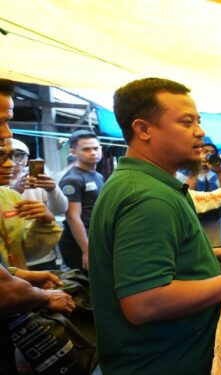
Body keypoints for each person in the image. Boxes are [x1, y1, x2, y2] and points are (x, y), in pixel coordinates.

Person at [88, 77, 221, 374]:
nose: (201, 132)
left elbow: (156, 256)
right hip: (163, 362)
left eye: (199, 121)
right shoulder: (147, 198)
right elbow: (144, 302)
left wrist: (218, 253)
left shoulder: (142, 183)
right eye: (187, 122)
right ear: (143, 129)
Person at [0, 78, 75, 375]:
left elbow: (22, 251)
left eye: (14, 156)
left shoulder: (9, 196)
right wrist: (41, 296)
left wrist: (45, 221)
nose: (9, 163)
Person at [9, 138, 69, 270]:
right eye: (8, 156)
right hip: (10, 258)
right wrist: (13, 191)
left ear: (27, 159)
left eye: (20, 155)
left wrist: (53, 189)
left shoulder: (36, 180)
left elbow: (60, 209)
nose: (14, 161)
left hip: (43, 254)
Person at [58, 130, 104, 271]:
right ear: (73, 152)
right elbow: (72, 216)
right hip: (78, 243)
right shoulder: (72, 179)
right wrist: (86, 249)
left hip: (95, 239)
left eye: (95, 148)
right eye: (86, 149)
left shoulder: (98, 176)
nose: (93, 152)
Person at [177, 138, 221, 247]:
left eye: (212, 153)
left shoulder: (219, 173)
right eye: (205, 151)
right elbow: (186, 195)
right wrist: (196, 168)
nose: (209, 155)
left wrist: (220, 171)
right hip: (195, 233)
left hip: (217, 235)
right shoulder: (185, 174)